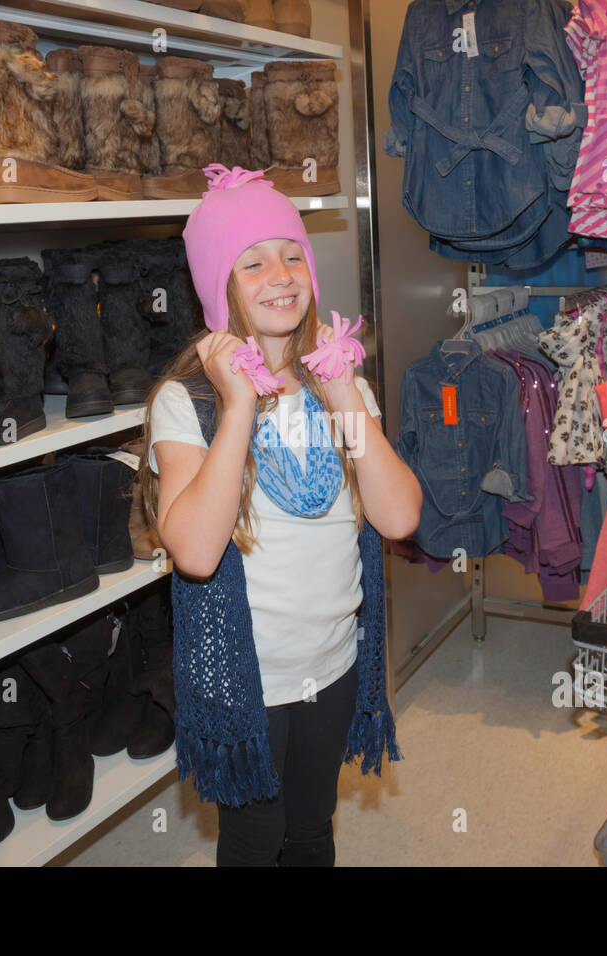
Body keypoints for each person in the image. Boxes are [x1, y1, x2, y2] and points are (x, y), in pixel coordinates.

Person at [137, 165, 421, 866]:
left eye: (293, 254)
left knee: (311, 825)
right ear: (217, 287)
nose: (282, 273)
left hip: (333, 663)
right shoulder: (189, 404)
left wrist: (346, 396)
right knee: (256, 836)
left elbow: (399, 517)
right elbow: (197, 555)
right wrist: (237, 405)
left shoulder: (335, 385)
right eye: (254, 261)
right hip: (248, 676)